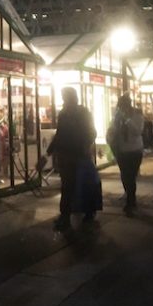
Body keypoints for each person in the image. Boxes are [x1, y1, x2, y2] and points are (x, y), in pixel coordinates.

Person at [47, 87, 96, 230]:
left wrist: (84, 146)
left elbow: (90, 132)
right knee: (71, 185)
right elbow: (60, 134)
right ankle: (70, 215)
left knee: (72, 185)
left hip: (75, 154)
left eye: (64, 96)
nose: (63, 99)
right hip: (70, 155)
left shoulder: (77, 113)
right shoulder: (69, 113)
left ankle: (73, 215)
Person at [107, 94, 144, 217]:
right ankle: (130, 198)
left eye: (124, 106)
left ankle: (131, 201)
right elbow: (113, 129)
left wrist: (127, 120)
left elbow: (138, 131)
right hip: (122, 150)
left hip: (135, 150)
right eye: (121, 107)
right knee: (125, 175)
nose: (122, 109)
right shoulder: (117, 117)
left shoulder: (137, 115)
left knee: (131, 176)